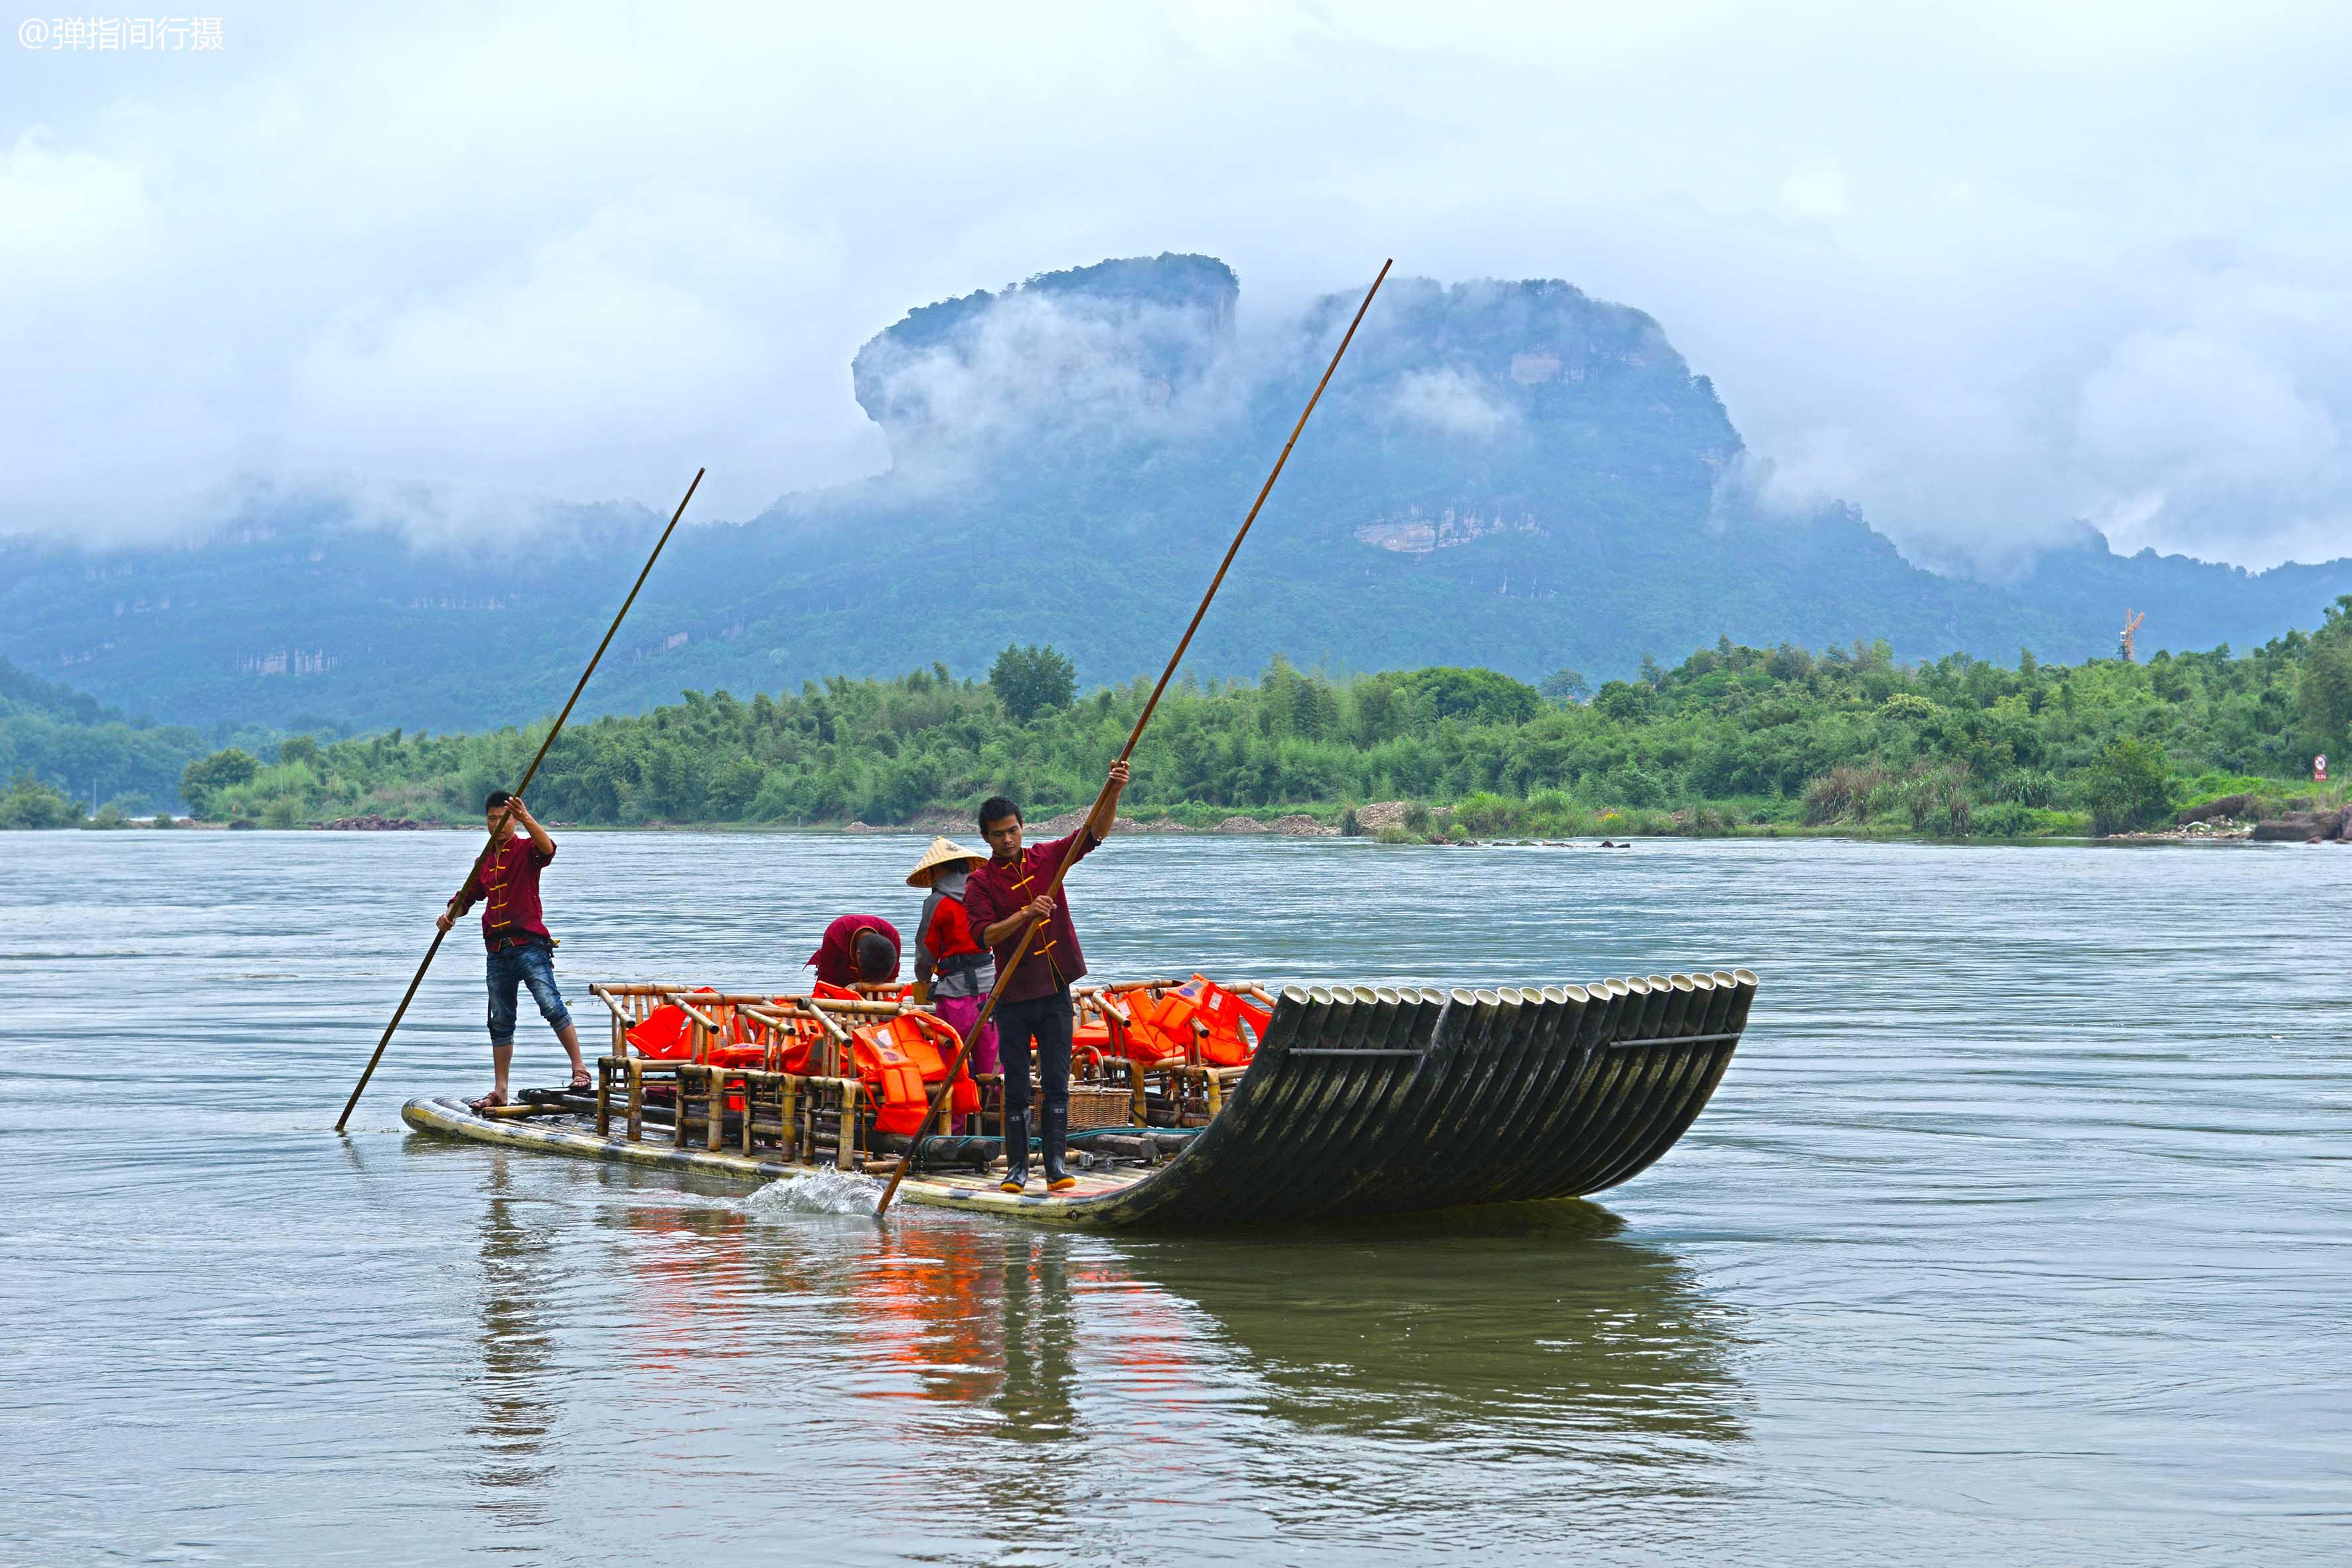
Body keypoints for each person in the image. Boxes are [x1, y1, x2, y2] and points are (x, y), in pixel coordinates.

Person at [962, 760, 1129, 1193]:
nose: (1007, 839)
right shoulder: (979, 883)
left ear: (1022, 827)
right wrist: (1024, 914)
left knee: (1056, 1083)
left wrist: (1112, 789)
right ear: (986, 838)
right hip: (1013, 997)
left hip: (1056, 991)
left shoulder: (1047, 856)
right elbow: (983, 936)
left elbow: (1094, 834)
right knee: (1015, 1085)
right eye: (998, 834)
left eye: (1012, 830)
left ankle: (1055, 1166)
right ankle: (1016, 1168)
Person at [437, 791, 588, 1111]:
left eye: (504, 818)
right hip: (497, 950)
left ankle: (580, 1070)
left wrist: (527, 816)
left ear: (515, 819)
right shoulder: (485, 859)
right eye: (492, 819)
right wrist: (450, 913)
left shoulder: (525, 849)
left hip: (529, 945)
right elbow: (467, 897)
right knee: (501, 1020)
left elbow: (548, 850)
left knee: (551, 1005)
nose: (497, 824)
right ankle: (500, 1090)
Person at [906, 837, 1000, 1101]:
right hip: (990, 990)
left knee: (953, 1064)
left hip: (956, 996)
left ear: (937, 871)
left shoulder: (937, 903)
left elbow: (925, 951)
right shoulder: (984, 893)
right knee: (991, 1063)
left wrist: (922, 978)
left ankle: (956, 1126)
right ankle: (996, 1117)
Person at [809, 913, 901, 990]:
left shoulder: (892, 936)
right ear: (858, 954)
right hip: (842, 978)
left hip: (878, 986)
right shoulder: (836, 935)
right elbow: (826, 982)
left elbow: (890, 982)